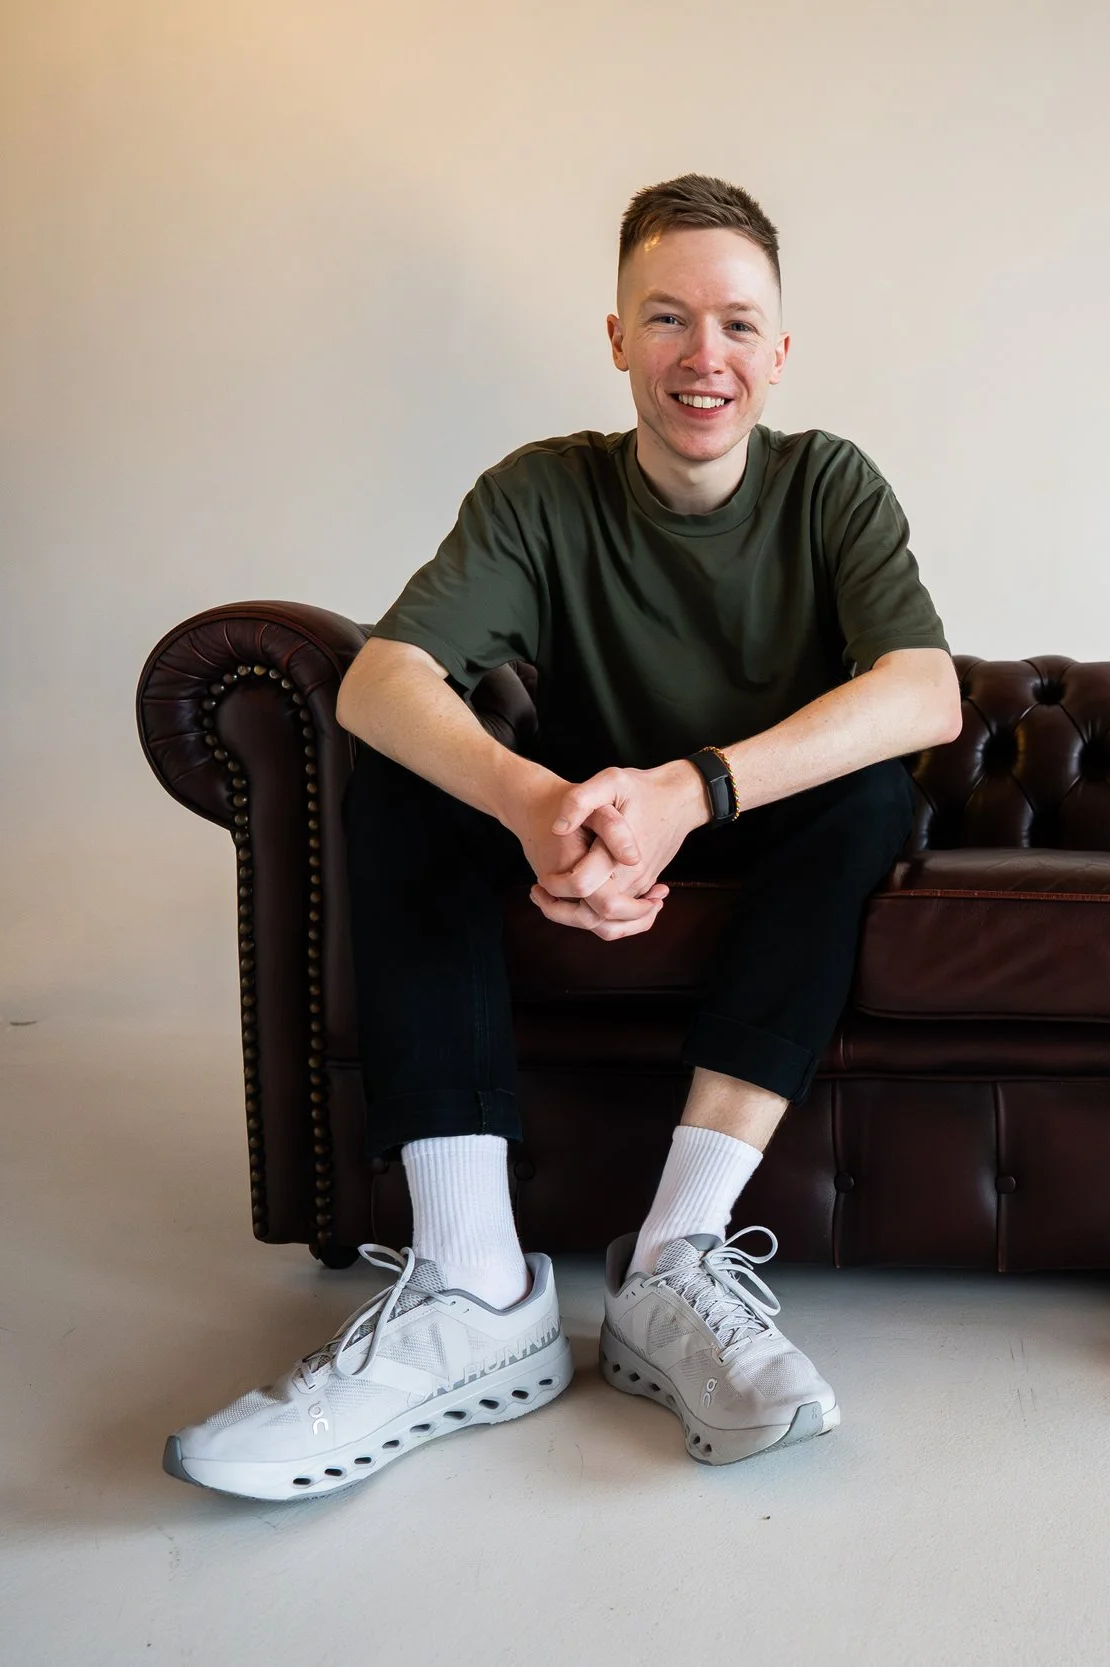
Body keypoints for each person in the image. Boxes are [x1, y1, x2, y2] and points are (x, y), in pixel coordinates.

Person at [164, 175, 961, 1499]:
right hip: (581, 829)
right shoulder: (543, 491)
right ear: (616, 338)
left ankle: (674, 1257)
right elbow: (379, 680)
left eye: (736, 323)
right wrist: (540, 806)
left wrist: (689, 791)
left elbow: (925, 691)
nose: (703, 356)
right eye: (668, 317)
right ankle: (472, 1286)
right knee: (406, 772)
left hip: (761, 833)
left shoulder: (829, 484)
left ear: (777, 351)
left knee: (870, 790)